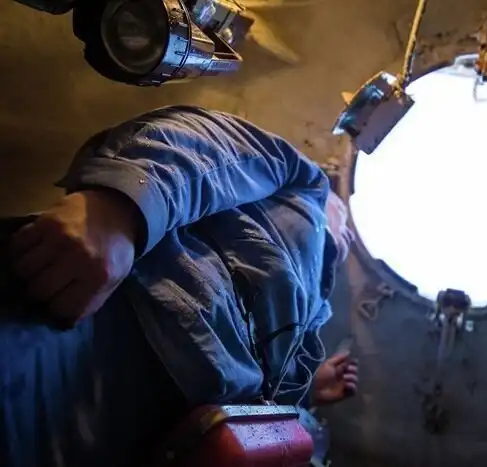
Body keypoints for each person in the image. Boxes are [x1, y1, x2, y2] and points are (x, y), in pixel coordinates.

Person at [0, 105, 358, 467]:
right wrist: (117, 211)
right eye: (343, 219)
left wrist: (307, 391)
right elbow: (214, 143)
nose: (348, 235)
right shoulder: (308, 187)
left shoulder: (314, 313)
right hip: (119, 323)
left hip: (162, 433)